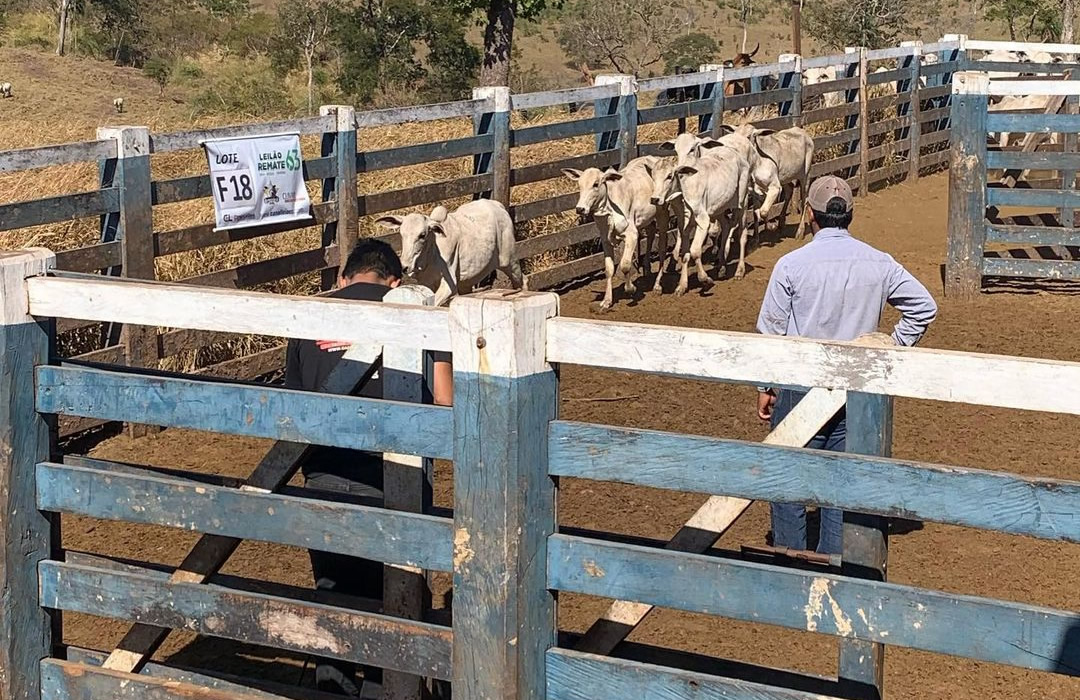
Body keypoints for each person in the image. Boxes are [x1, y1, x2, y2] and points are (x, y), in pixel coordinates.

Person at [284, 239, 451, 696]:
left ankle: (332, 687)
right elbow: (445, 400)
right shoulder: (416, 312)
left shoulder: (311, 315)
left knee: (334, 595)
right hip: (394, 479)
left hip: (324, 477)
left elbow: (292, 409)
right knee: (391, 603)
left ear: (343, 278)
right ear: (396, 282)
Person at [754, 175, 937, 555]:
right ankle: (836, 562)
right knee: (842, 478)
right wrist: (888, 347)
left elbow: (770, 330)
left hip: (801, 386)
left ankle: (792, 562)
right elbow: (924, 307)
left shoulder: (791, 265)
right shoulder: (879, 262)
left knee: (789, 476)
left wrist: (765, 387)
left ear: (809, 215)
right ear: (850, 215)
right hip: (856, 391)